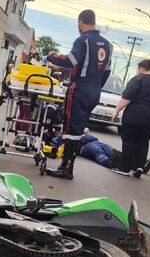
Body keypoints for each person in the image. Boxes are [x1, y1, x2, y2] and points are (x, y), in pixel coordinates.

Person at [43, 9, 113, 180]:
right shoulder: (107, 45)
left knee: (70, 130)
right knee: (79, 128)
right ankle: (67, 166)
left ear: (81, 22)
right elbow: (107, 71)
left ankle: (66, 168)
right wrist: (95, 86)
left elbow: (70, 60)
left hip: (79, 89)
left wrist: (50, 56)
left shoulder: (83, 40)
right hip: (95, 91)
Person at [111, 59, 150, 177]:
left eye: (138, 69)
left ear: (141, 68)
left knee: (129, 141)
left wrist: (116, 111)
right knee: (143, 142)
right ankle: (139, 167)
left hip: (135, 116)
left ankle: (124, 168)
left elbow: (127, 98)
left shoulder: (138, 79)